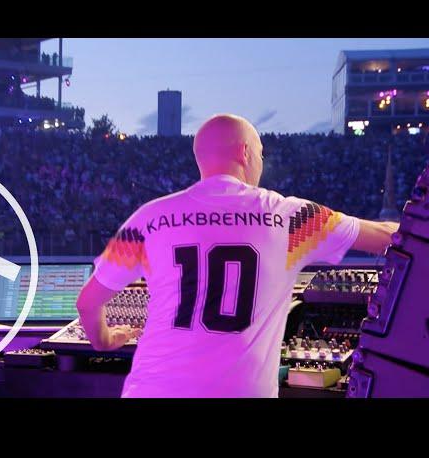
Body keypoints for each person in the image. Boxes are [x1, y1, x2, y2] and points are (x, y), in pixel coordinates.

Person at [76, 113, 399, 398]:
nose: (261, 161)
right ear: (245, 152)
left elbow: (88, 303)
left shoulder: (149, 219)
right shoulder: (291, 218)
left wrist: (105, 340)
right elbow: (387, 237)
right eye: (260, 153)